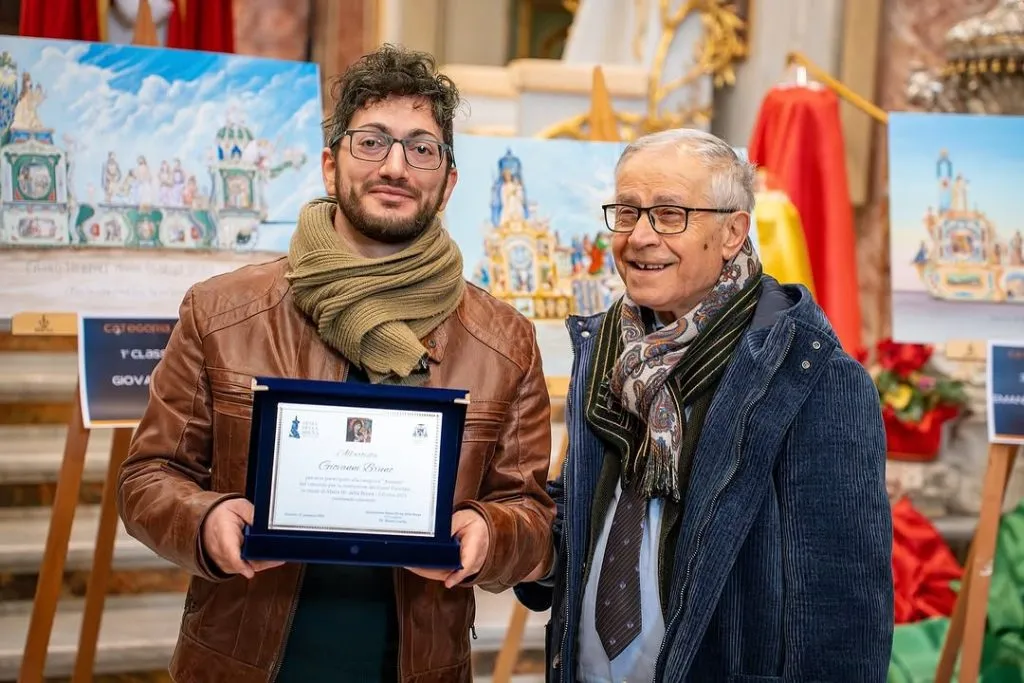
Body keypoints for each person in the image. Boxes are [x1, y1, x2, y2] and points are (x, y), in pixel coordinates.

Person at [117, 45, 555, 683]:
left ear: (449, 182)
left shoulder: (504, 342)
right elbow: (147, 478)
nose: (395, 167)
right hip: (239, 661)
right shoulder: (221, 312)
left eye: (422, 148)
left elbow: (532, 515)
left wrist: (492, 533)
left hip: (420, 668)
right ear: (331, 166)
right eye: (371, 142)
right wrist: (204, 521)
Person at [515, 128, 894, 682]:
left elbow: (842, 610)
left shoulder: (813, 378)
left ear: (733, 232)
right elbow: (590, 517)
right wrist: (513, 539)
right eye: (627, 212)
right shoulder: (609, 354)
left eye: (670, 215)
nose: (640, 236)